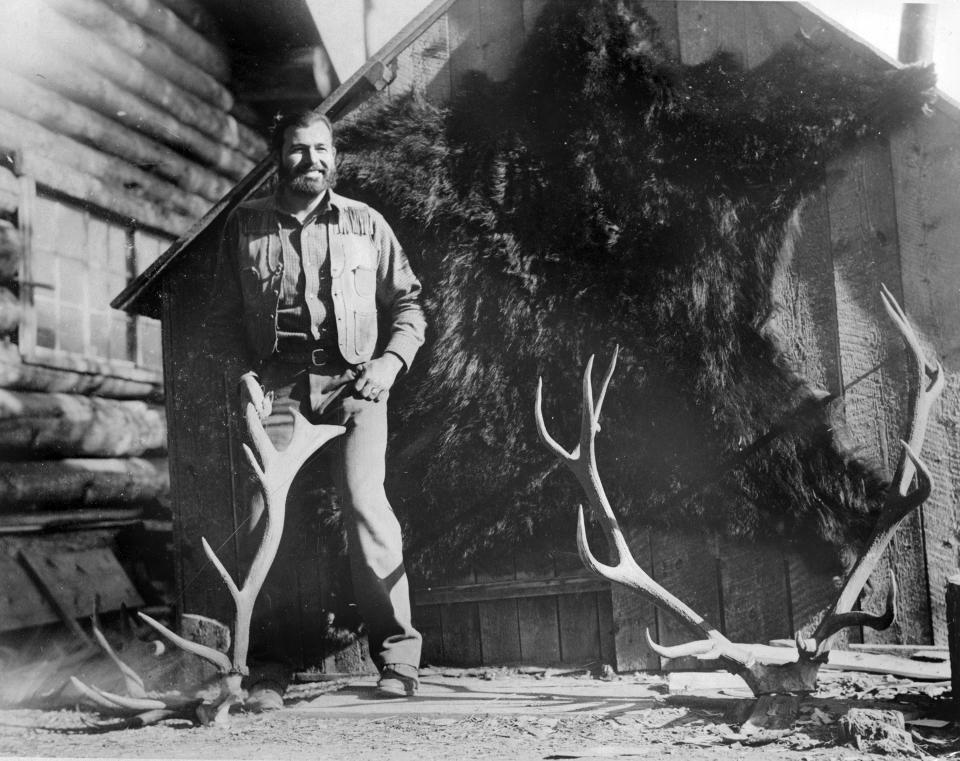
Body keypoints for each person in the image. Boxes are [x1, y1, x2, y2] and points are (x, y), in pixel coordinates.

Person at [209, 106, 426, 704]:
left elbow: (410, 308)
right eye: (299, 149)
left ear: (336, 157)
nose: (312, 160)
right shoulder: (245, 227)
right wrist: (244, 375)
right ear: (279, 157)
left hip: (356, 390)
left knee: (367, 508)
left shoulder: (367, 225)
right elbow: (224, 319)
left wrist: (388, 365)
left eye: (322, 150)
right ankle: (269, 669)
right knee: (264, 519)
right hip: (277, 393)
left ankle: (399, 661)